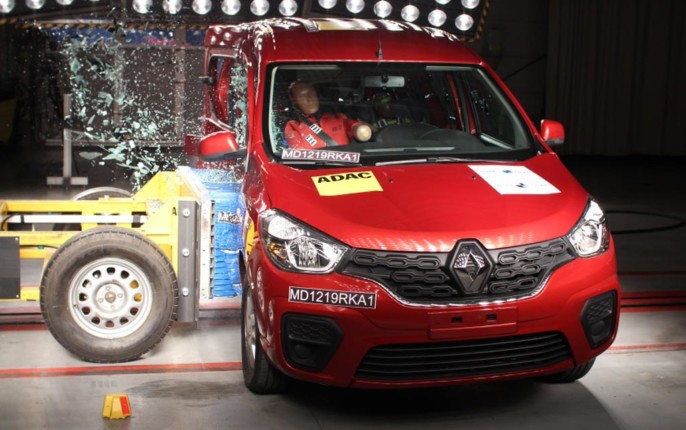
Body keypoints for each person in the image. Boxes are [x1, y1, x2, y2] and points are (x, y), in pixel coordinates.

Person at [283, 81, 372, 149]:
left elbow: (354, 126)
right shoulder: (294, 126)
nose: (310, 98)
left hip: (347, 166)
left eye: (312, 94)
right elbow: (298, 155)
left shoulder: (337, 119)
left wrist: (359, 129)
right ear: (294, 102)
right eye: (302, 96)